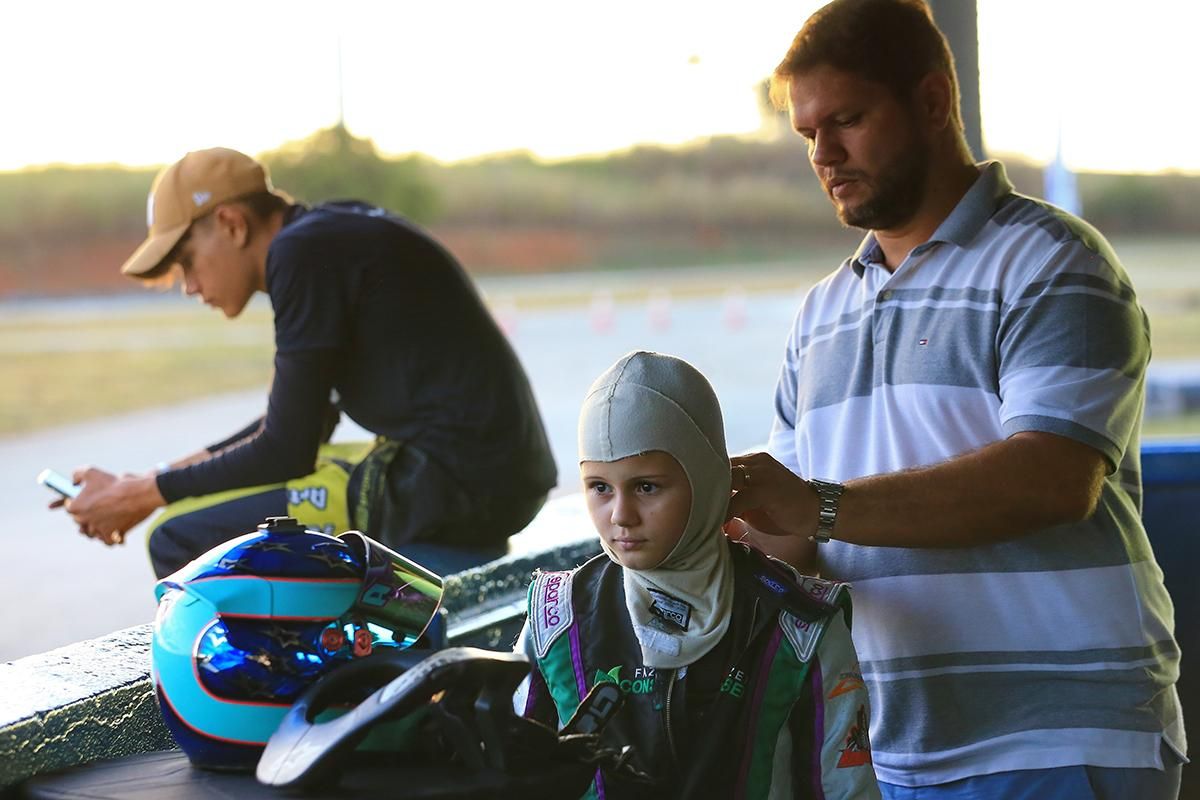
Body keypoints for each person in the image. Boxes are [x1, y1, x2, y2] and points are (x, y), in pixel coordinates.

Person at [725, 0, 1187, 797]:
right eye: (808, 135)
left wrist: (817, 506)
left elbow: (1051, 479)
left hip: (1055, 738)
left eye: (848, 120)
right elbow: (797, 539)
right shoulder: (818, 315)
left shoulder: (1052, 262)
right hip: (896, 748)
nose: (825, 154)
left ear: (934, 102)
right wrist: (682, 535)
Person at [62, 147, 557, 578]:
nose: (189, 286)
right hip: (490, 477)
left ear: (232, 224)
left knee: (176, 535)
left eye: (186, 262)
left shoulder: (301, 253)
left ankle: (263, 683)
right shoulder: (329, 231)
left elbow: (285, 450)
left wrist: (146, 496)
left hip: (457, 485)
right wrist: (147, 481)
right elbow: (301, 425)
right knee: (197, 502)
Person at [513, 351, 880, 799]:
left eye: (647, 486)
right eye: (600, 487)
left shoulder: (799, 625)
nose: (621, 515)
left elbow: (846, 790)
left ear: (708, 479)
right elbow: (510, 774)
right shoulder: (556, 617)